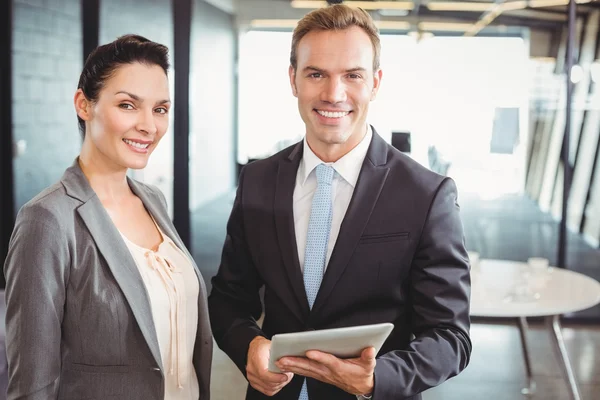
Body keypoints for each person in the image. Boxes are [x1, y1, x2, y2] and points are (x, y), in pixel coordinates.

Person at [208, 4, 471, 400]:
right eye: (316, 74)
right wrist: (247, 345)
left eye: (352, 75)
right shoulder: (259, 180)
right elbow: (228, 300)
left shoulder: (426, 194)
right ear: (293, 79)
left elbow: (451, 336)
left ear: (375, 83)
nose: (334, 94)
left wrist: (378, 377)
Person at [4, 34, 212, 400]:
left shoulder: (153, 200)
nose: (149, 126)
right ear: (84, 105)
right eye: (129, 105)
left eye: (160, 109)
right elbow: (31, 384)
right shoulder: (47, 220)